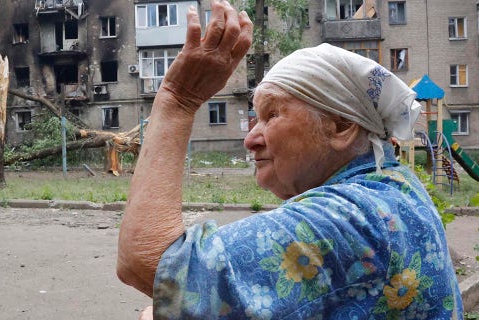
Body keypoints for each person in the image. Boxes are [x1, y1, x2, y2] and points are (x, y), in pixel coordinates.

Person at [117, 1, 464, 319]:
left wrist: (178, 100)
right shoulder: (392, 188)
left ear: (341, 125)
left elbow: (150, 262)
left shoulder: (348, 218)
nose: (250, 138)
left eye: (272, 115)